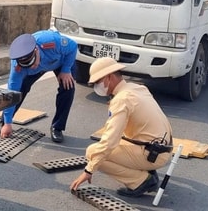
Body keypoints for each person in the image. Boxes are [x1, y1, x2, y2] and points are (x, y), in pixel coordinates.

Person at [70, 57, 173, 198]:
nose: (96, 87)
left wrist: (88, 171)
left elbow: (109, 142)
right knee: (109, 142)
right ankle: (145, 171)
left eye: (98, 82)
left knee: (93, 152)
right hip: (160, 147)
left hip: (153, 153)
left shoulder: (121, 100)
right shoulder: (136, 87)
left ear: (109, 77)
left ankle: (141, 181)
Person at [0, 30, 77, 143]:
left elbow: (73, 46)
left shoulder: (51, 42)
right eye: (28, 66)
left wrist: (66, 70)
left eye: (33, 63)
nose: (32, 66)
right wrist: (8, 123)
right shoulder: (18, 68)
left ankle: (57, 128)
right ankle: (4, 123)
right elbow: (11, 95)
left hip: (60, 62)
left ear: (36, 51)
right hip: (38, 67)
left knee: (68, 88)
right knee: (20, 90)